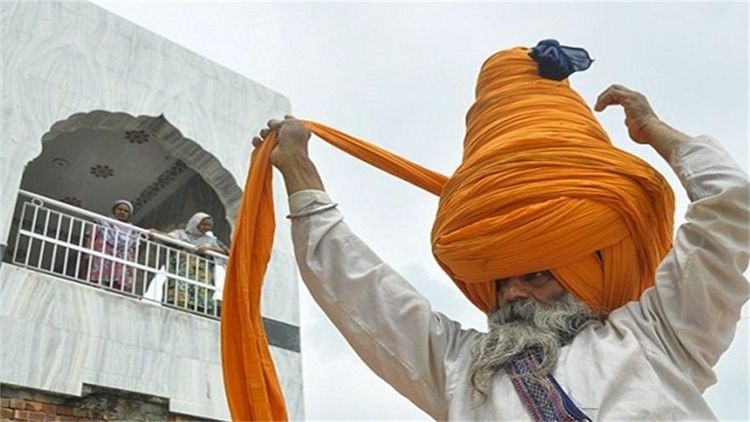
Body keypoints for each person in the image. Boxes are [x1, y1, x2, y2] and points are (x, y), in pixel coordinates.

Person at [251, 50, 749, 419]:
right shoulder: (460, 369)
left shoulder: (659, 335)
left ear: (584, 274)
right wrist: (298, 172)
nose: (508, 295)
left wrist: (657, 131)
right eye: (499, 282)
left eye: (531, 275)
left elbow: (730, 209)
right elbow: (362, 292)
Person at [162, 212, 228, 315]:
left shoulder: (210, 240)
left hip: (202, 276)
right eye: (204, 224)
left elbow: (226, 252)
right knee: (180, 296)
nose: (206, 228)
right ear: (195, 223)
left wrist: (208, 248)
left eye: (209, 225)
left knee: (202, 299)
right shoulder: (180, 234)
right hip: (182, 273)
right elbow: (167, 238)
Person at [86, 199, 139, 293]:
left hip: (122, 257)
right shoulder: (103, 222)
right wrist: (88, 252)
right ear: (114, 210)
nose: (122, 212)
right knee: (101, 280)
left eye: (126, 211)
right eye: (120, 209)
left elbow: (133, 247)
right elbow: (91, 236)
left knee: (119, 284)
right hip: (104, 253)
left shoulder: (132, 230)